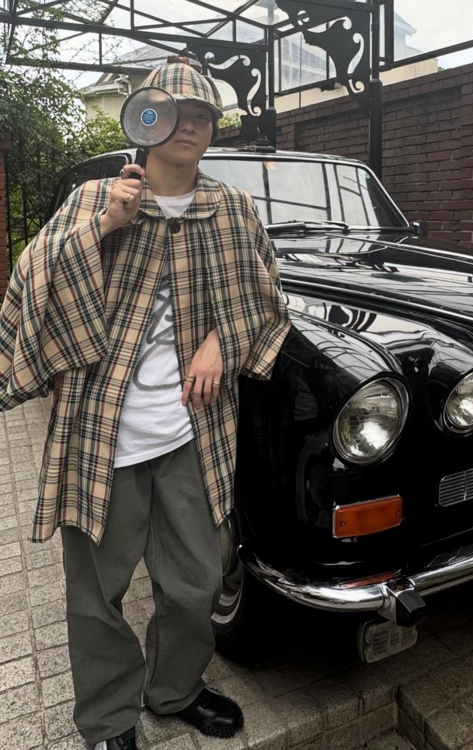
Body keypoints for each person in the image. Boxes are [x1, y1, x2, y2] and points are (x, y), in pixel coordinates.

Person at [0, 58, 290, 750]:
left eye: (202, 114)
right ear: (146, 119)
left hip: (193, 430)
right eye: (174, 111)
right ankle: (108, 718)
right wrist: (104, 226)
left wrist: (223, 340)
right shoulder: (96, 199)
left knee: (196, 581)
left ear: (213, 127)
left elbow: (265, 294)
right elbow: (32, 282)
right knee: (97, 592)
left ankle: (175, 689)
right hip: (102, 429)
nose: (190, 124)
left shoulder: (233, 208)